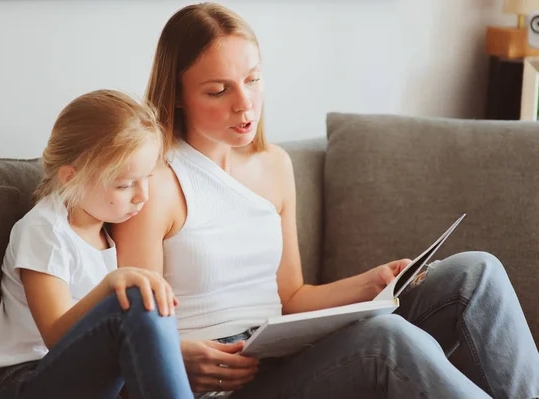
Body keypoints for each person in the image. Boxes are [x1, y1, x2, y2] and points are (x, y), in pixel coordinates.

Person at [111, 4, 539, 398]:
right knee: (385, 340)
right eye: (218, 90)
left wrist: (371, 283)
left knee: (476, 272)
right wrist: (177, 356)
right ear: (177, 96)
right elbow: (131, 327)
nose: (245, 104)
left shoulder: (274, 165)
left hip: (285, 350)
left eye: (253, 79)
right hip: (225, 381)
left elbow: (292, 296)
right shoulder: (153, 185)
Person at [0, 90, 193, 399]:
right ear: (71, 178)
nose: (142, 196)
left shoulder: (107, 231)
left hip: (88, 381)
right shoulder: (44, 230)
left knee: (139, 300)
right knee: (133, 297)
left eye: (147, 178)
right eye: (124, 185)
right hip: (27, 380)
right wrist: (111, 284)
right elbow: (56, 334)